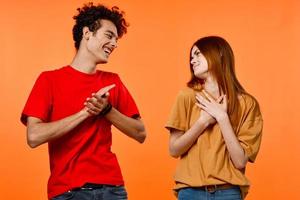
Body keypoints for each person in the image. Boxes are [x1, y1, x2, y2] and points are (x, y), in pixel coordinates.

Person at [21, 2, 146, 200]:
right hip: (67, 191)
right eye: (109, 35)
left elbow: (140, 133)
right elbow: (34, 136)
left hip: (112, 188)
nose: (115, 44)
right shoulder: (49, 80)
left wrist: (107, 110)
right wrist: (86, 112)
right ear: (87, 33)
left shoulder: (112, 81)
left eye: (116, 38)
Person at [165, 36, 263, 200]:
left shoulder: (248, 104)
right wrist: (203, 122)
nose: (192, 61)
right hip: (190, 192)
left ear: (219, 54)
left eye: (197, 54)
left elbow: (240, 162)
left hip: (229, 192)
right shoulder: (186, 97)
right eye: (191, 57)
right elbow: (174, 150)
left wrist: (222, 117)